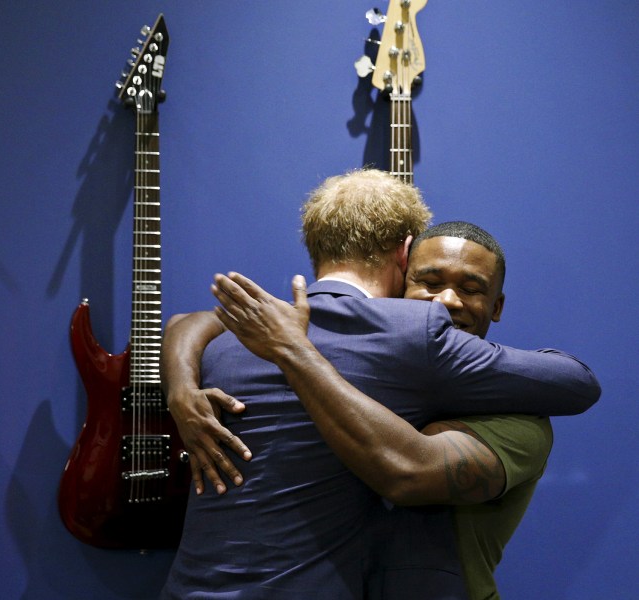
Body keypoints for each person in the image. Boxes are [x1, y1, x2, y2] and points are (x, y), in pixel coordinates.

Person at [159, 170, 599, 599]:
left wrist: (179, 388)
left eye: (469, 289)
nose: (445, 303)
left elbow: (188, 321)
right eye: (429, 281)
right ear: (405, 255)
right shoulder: (412, 331)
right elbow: (576, 383)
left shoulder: (229, 337)